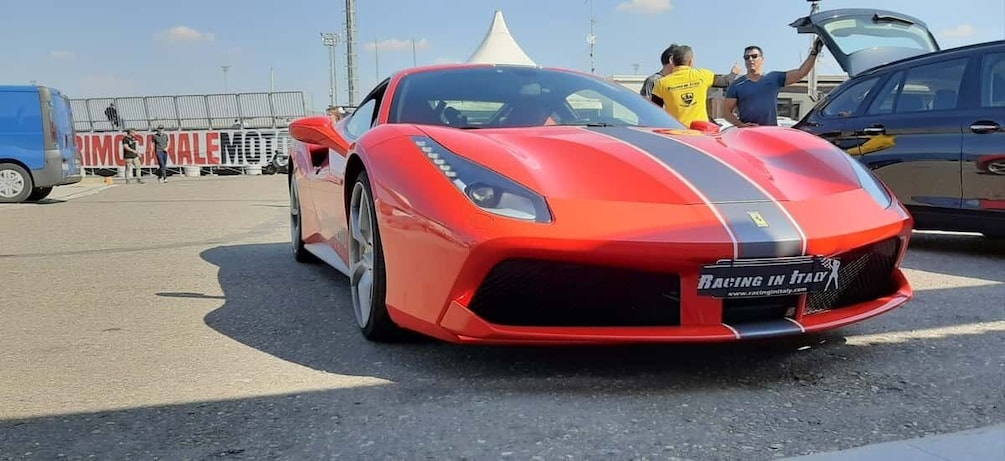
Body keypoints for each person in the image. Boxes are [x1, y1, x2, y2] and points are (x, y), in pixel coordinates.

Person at [723, 38, 823, 127]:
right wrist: (741, 125)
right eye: (747, 57)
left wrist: (814, 52)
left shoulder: (773, 78)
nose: (750, 60)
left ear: (762, 59)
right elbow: (726, 112)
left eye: (754, 56)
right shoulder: (737, 85)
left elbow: (801, 72)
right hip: (748, 134)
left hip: (770, 132)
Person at [651, 45, 742, 127]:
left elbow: (654, 111)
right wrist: (734, 73)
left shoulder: (661, 83)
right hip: (700, 132)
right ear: (691, 61)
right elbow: (725, 82)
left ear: (672, 61)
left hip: (676, 133)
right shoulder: (702, 75)